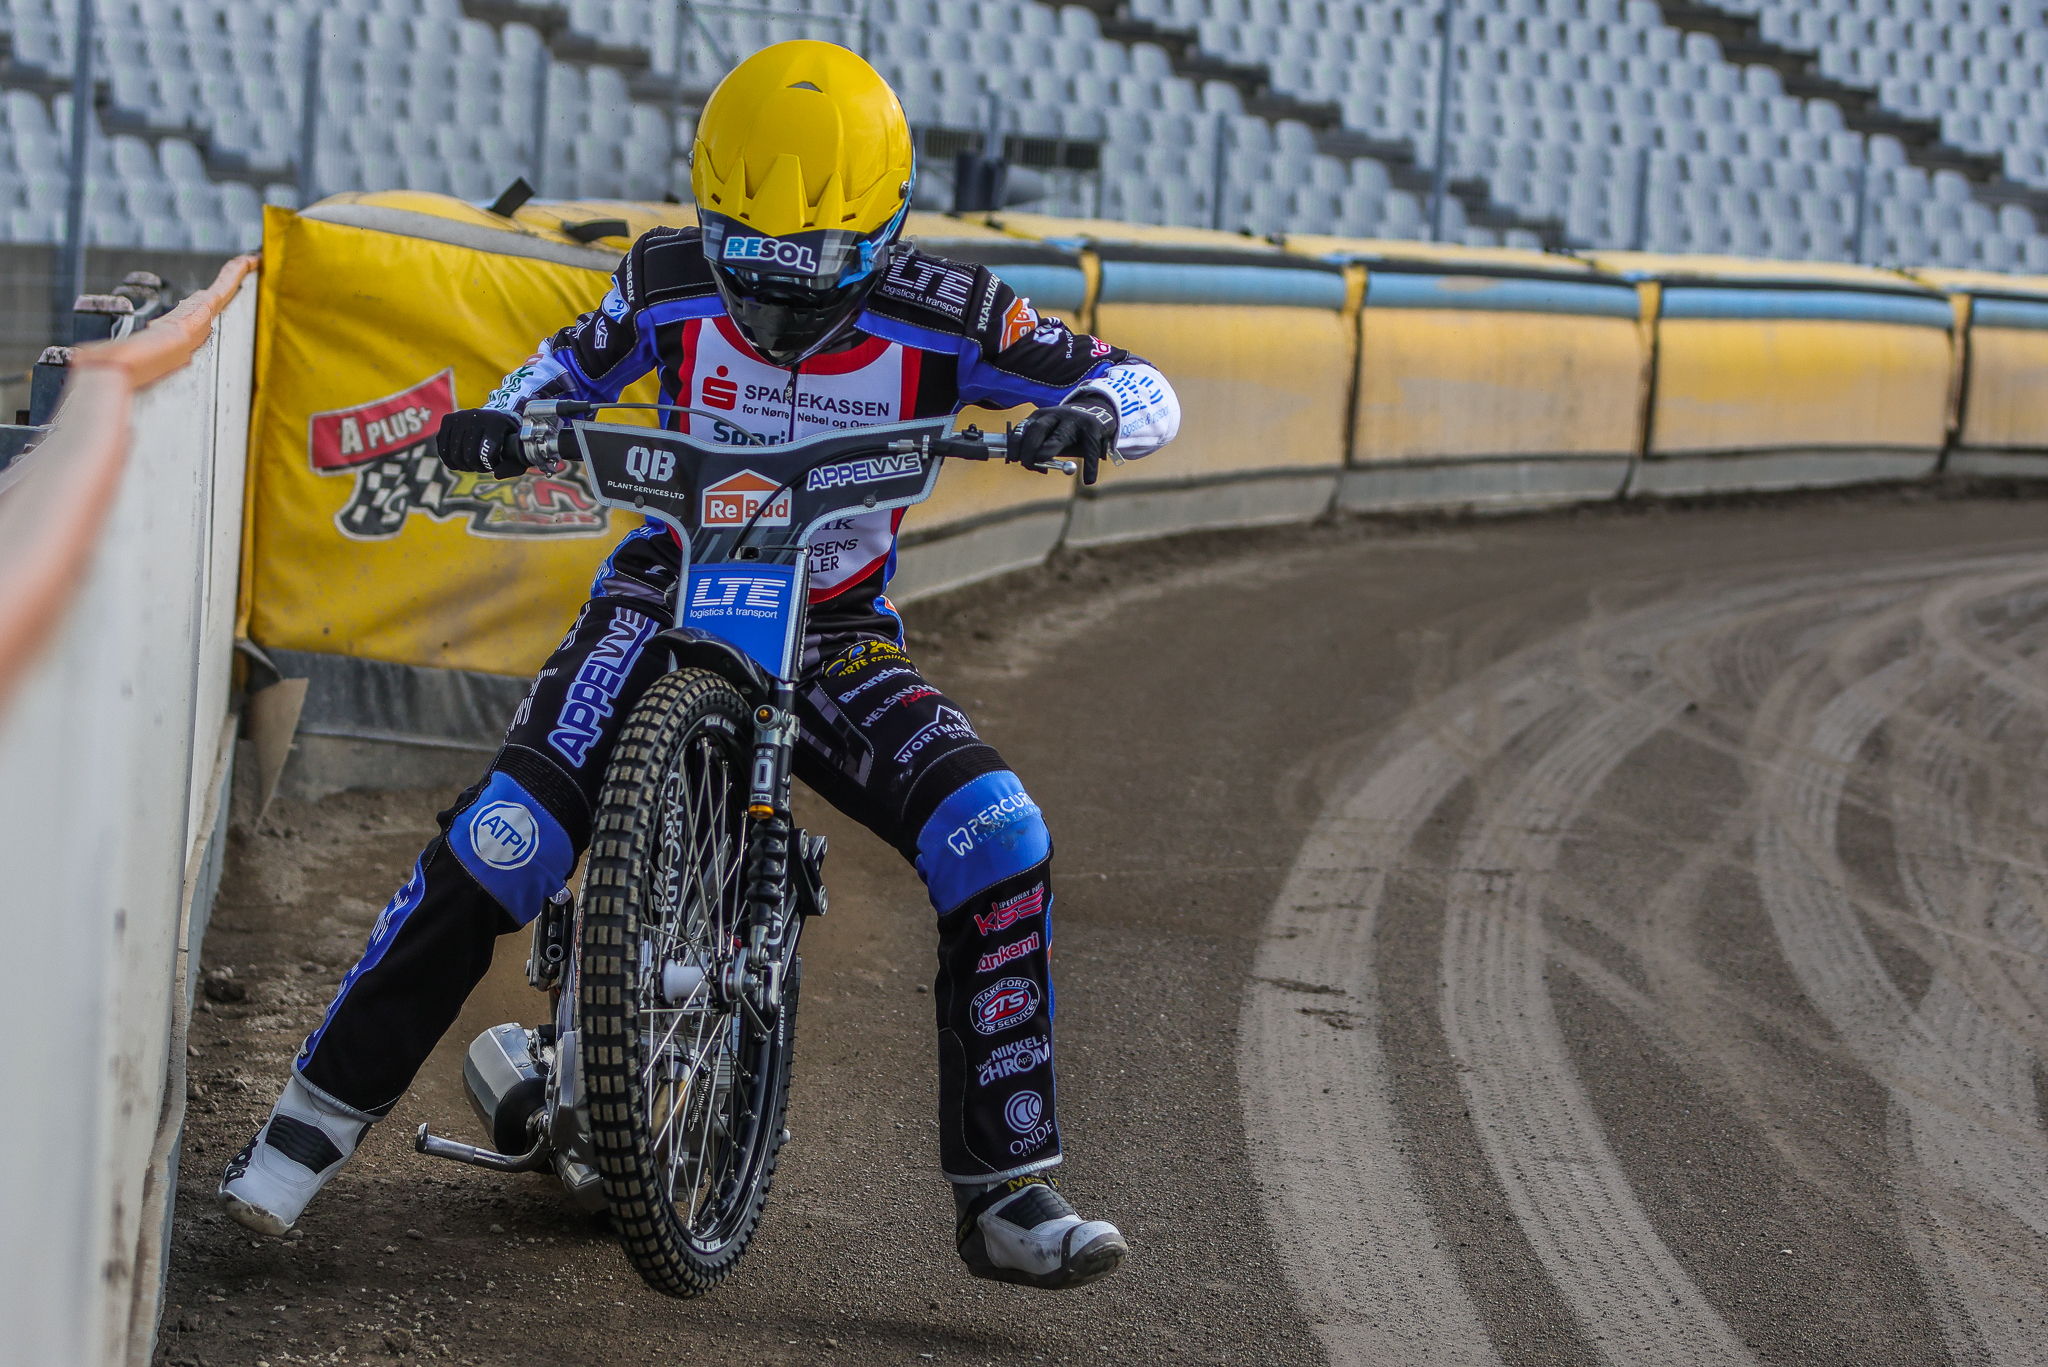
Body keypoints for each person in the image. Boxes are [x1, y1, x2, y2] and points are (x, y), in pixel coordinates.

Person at [219, 40, 1180, 1290]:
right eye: (748, 259)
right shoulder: (664, 277)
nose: (776, 304)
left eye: (818, 270)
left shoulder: (954, 311)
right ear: (708, 215)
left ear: (886, 233)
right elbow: (558, 366)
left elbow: (1139, 380)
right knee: (506, 835)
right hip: (660, 596)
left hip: (833, 631)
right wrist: (511, 422)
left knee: (998, 834)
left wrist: (1092, 414)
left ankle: (1005, 1186)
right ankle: (306, 1127)